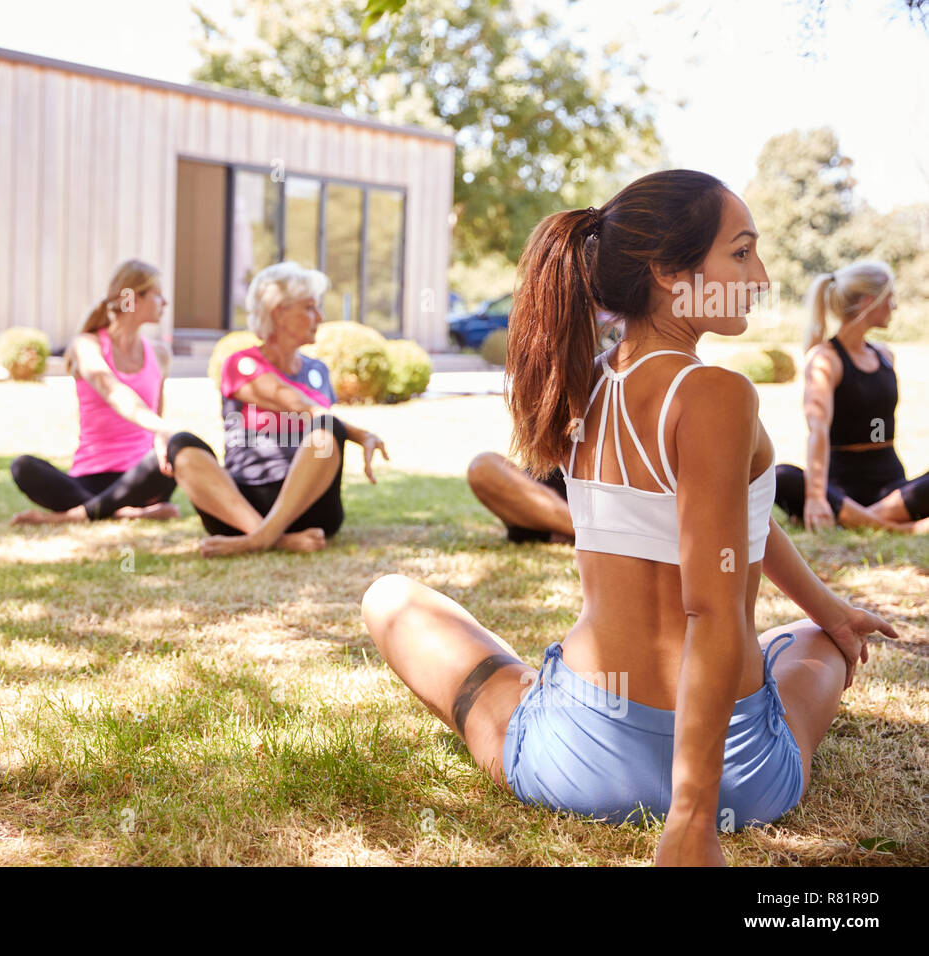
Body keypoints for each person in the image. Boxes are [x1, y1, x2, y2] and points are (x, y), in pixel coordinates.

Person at [360, 172, 898, 866]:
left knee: (389, 598)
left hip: (574, 759)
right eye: (741, 253)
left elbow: (738, 522)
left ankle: (531, 697)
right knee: (810, 642)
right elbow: (711, 613)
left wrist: (831, 605)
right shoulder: (715, 394)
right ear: (671, 273)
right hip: (734, 779)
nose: (760, 276)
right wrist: (692, 820)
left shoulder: (585, 381)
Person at [167, 261, 388, 557]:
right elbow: (295, 403)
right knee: (181, 445)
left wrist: (352, 433)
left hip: (310, 504)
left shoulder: (318, 371)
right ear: (278, 312)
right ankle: (274, 537)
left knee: (328, 428)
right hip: (242, 503)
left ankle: (260, 537)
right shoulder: (240, 363)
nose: (319, 317)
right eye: (309, 307)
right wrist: (361, 435)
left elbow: (321, 425)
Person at [9, 259, 180, 525]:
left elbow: (156, 417)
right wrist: (164, 427)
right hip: (89, 476)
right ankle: (123, 511)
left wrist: (164, 436)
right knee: (23, 467)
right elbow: (112, 391)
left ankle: (76, 514)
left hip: (141, 476)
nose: (165, 302)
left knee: (175, 453)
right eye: (157, 294)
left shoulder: (160, 354)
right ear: (132, 297)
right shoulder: (87, 345)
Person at [774, 262, 929, 532]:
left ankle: (856, 519)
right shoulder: (825, 360)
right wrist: (815, 497)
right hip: (840, 488)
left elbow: (878, 420)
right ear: (870, 302)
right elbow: (818, 431)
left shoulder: (885, 355)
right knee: (781, 475)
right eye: (890, 298)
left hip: (891, 487)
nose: (894, 307)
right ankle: (900, 527)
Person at [466, 452, 574, 544]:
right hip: (542, 489)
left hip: (580, 485)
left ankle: (583, 531)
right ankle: (582, 530)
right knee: (482, 466)